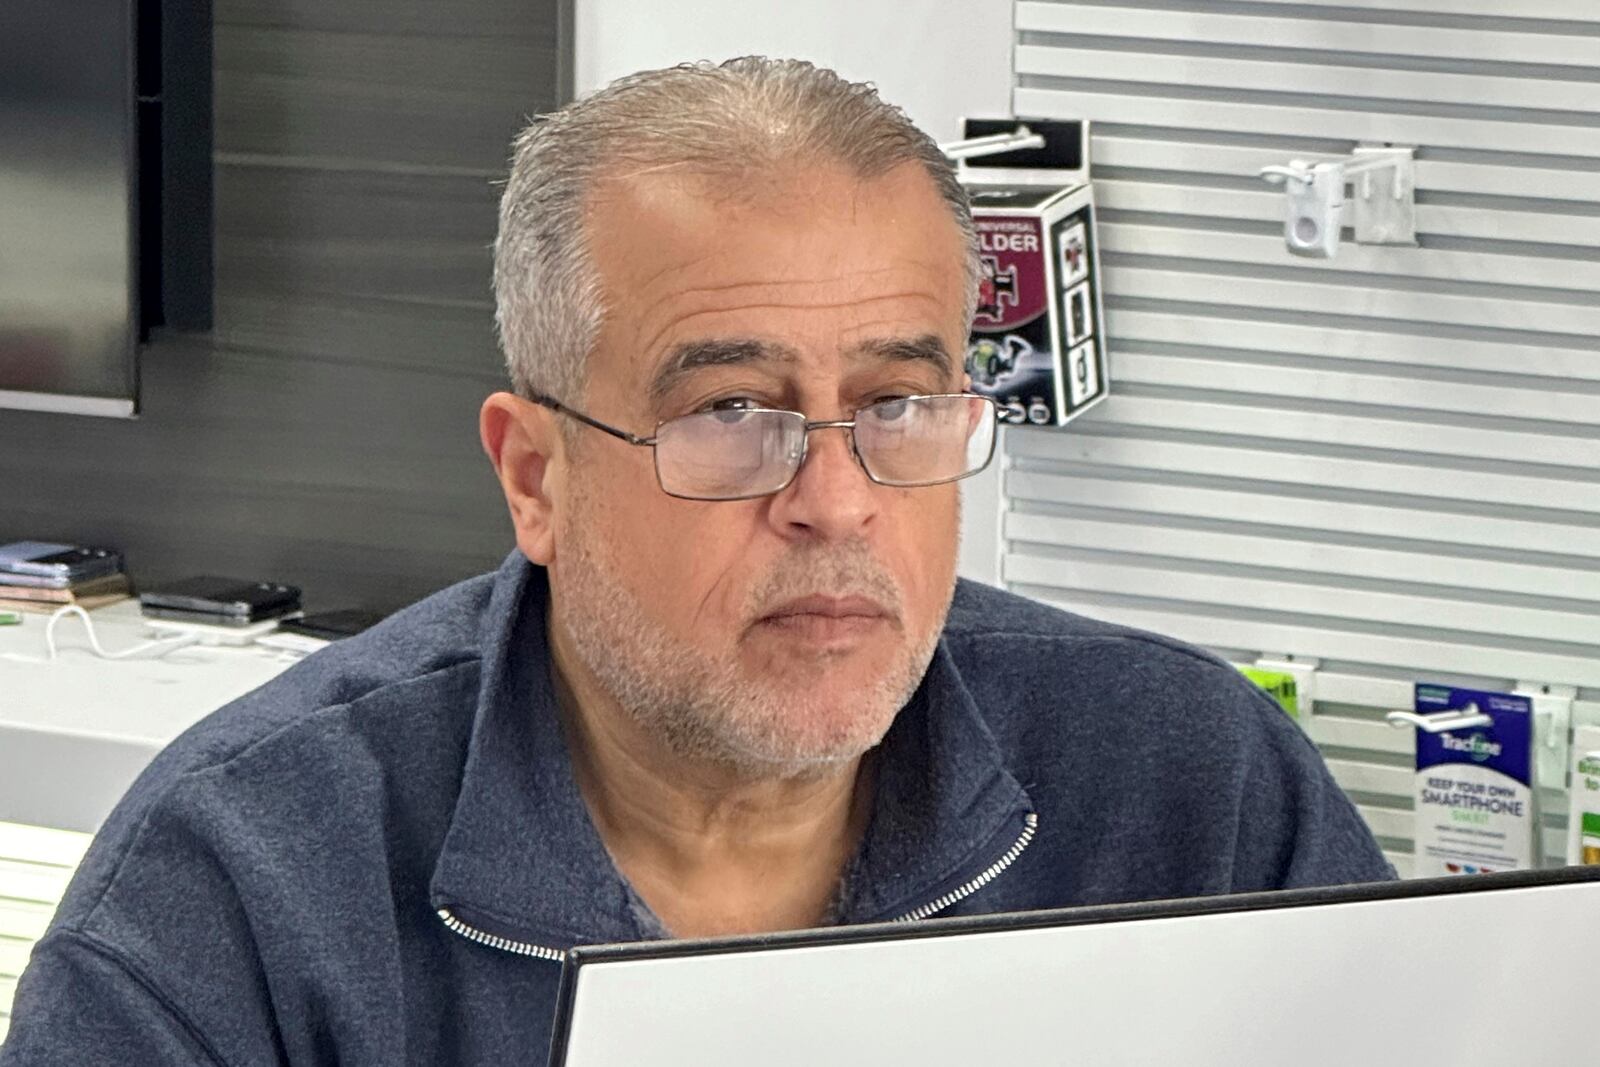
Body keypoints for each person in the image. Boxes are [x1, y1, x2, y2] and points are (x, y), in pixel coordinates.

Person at [1, 57, 1391, 1065]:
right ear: (535, 476)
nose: (838, 504)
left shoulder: (1199, 793)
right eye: (733, 414)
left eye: (900, 405)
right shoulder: (234, 890)